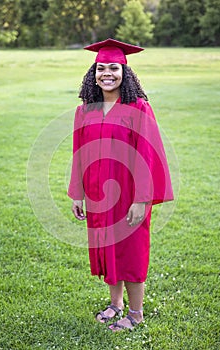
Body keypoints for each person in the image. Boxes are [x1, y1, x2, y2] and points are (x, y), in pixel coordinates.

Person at [68, 38, 173, 331]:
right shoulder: (85, 110)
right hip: (98, 194)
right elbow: (79, 154)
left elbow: (149, 155)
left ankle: (136, 313)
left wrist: (142, 199)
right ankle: (116, 304)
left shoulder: (138, 107)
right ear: (93, 73)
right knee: (107, 248)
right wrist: (78, 194)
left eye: (114, 68)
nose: (107, 74)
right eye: (101, 68)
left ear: (125, 72)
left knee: (131, 249)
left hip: (130, 194)